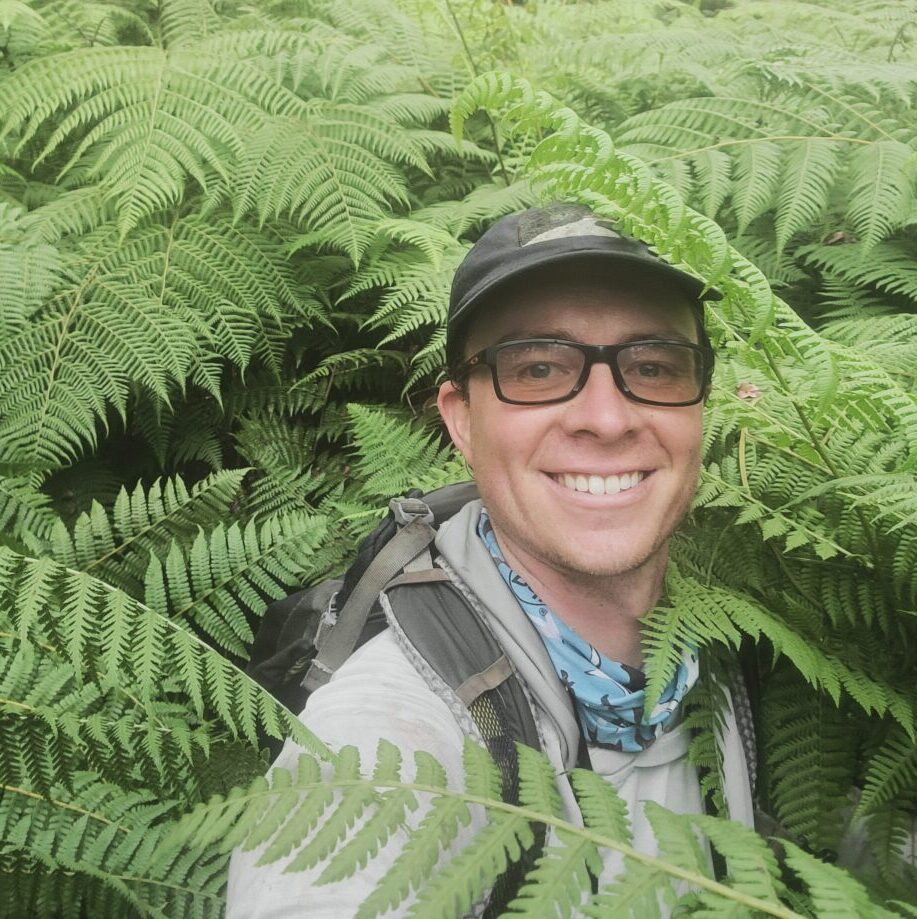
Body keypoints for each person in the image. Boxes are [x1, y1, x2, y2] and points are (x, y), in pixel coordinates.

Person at [226, 202, 755, 916]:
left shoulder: (742, 655)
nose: (606, 417)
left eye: (653, 365)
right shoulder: (383, 740)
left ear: (700, 407)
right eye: (537, 367)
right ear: (461, 419)